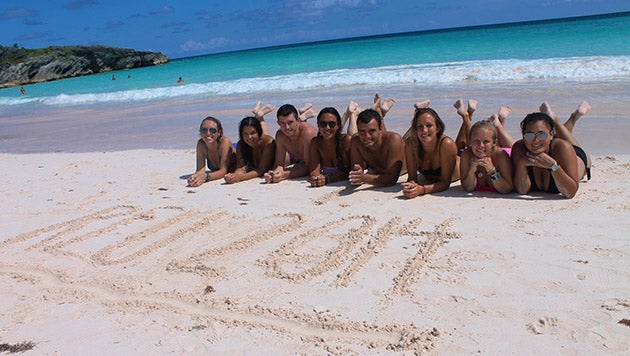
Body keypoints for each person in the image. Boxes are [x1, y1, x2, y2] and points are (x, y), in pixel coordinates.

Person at [511, 101, 591, 198]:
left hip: (578, 157)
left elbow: (570, 192)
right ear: (523, 136)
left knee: (564, 142)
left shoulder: (563, 148)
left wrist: (553, 166)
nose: (535, 140)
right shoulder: (519, 149)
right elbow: (522, 190)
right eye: (529, 135)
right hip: (552, 143)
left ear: (552, 133)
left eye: (541, 134)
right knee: (549, 140)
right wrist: (521, 165)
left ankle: (570, 118)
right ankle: (551, 118)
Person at [401, 107, 460, 198]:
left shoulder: (446, 144)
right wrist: (411, 187)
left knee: (463, 143)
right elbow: (412, 177)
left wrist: (422, 190)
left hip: (458, 163)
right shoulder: (411, 145)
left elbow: (445, 183)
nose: (424, 130)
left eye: (429, 125)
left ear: (438, 128)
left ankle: (467, 116)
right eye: (420, 126)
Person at [348, 109, 405, 187]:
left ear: (381, 128)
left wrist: (364, 178)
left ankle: (418, 109)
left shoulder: (394, 140)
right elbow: (356, 173)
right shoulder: (356, 141)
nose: (367, 136)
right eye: (362, 132)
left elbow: (392, 179)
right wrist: (357, 175)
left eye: (371, 131)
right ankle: (379, 110)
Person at [264, 104, 318, 183]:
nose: (287, 127)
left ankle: (304, 113)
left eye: (290, 122)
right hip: (300, 160)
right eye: (282, 123)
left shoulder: (308, 134)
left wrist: (284, 175)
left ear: (298, 120)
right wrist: (274, 173)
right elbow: (279, 163)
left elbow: (310, 167)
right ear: (278, 123)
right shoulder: (280, 135)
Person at [459, 121, 514, 193]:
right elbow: (468, 188)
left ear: (494, 143)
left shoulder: (501, 155)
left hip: (505, 152)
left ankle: (499, 122)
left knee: (513, 147)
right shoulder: (466, 155)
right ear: (470, 141)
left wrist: (492, 171)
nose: (481, 146)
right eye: (476, 141)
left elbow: (506, 189)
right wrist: (472, 170)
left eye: (486, 142)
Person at [308, 107, 352, 187]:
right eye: (323, 124)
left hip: (347, 138)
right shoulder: (316, 143)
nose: (327, 127)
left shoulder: (346, 141)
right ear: (318, 125)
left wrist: (328, 179)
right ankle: (349, 113)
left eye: (332, 124)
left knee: (353, 133)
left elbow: (350, 170)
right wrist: (315, 178)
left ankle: (352, 115)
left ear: (338, 125)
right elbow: (314, 170)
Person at [224, 117, 276, 184]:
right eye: (245, 134)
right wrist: (233, 176)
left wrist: (239, 177)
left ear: (258, 132)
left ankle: (260, 117)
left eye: (253, 133)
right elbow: (241, 167)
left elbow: (261, 170)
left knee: (266, 136)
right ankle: (259, 115)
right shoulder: (241, 144)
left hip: (289, 156)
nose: (249, 137)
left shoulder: (268, 143)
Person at [187, 116, 236, 186]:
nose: (208, 133)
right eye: (204, 130)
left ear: (219, 132)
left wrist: (205, 177)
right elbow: (200, 170)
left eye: (212, 130)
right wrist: (195, 178)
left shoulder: (225, 142)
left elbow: (223, 171)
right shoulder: (201, 144)